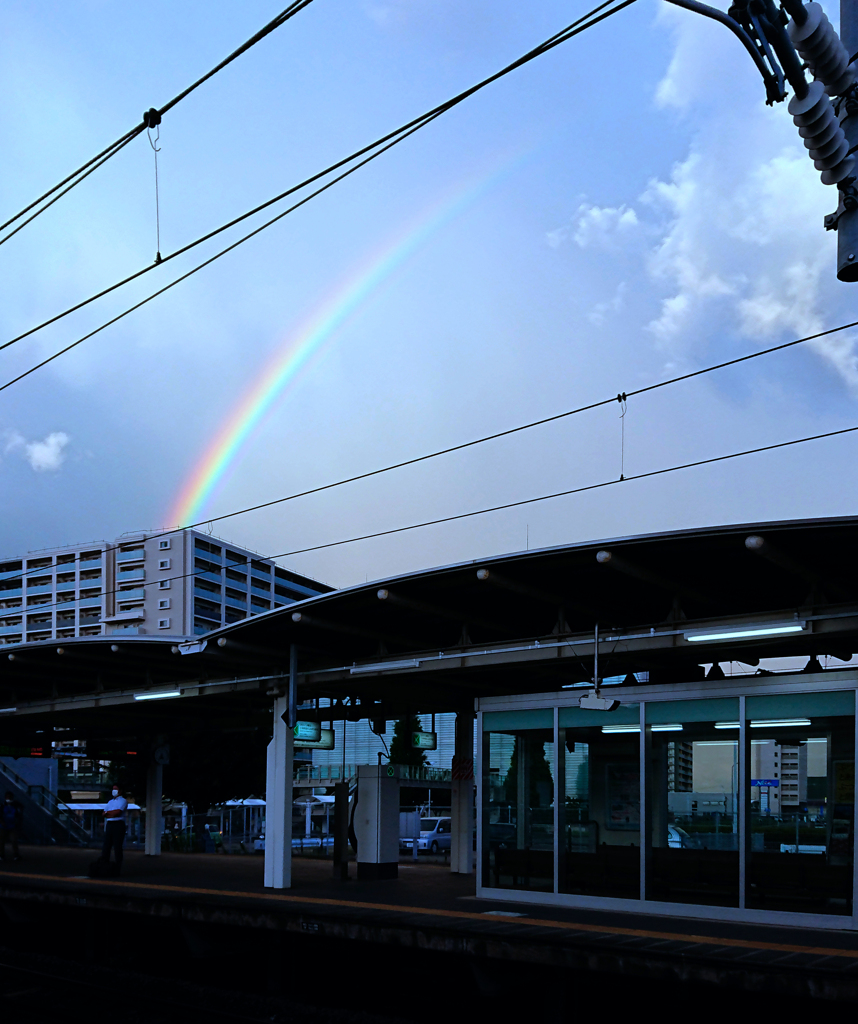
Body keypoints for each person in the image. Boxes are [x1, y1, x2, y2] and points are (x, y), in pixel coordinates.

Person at [102, 785, 128, 873]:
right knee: (106, 846)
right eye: (113, 789)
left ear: (120, 790)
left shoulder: (123, 801)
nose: (114, 790)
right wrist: (110, 814)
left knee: (117, 846)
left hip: (118, 824)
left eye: (116, 789)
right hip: (110, 824)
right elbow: (104, 813)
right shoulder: (110, 802)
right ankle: (104, 865)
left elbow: (118, 812)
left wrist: (108, 813)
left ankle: (118, 867)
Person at [0, 791, 22, 861]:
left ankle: (16, 855)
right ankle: (1, 855)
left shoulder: (15, 805)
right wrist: (2, 821)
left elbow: (19, 814)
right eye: (7, 797)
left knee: (14, 840)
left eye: (10, 797)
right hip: (3, 825)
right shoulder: (2, 805)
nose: (9, 798)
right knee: (1, 841)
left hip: (12, 825)